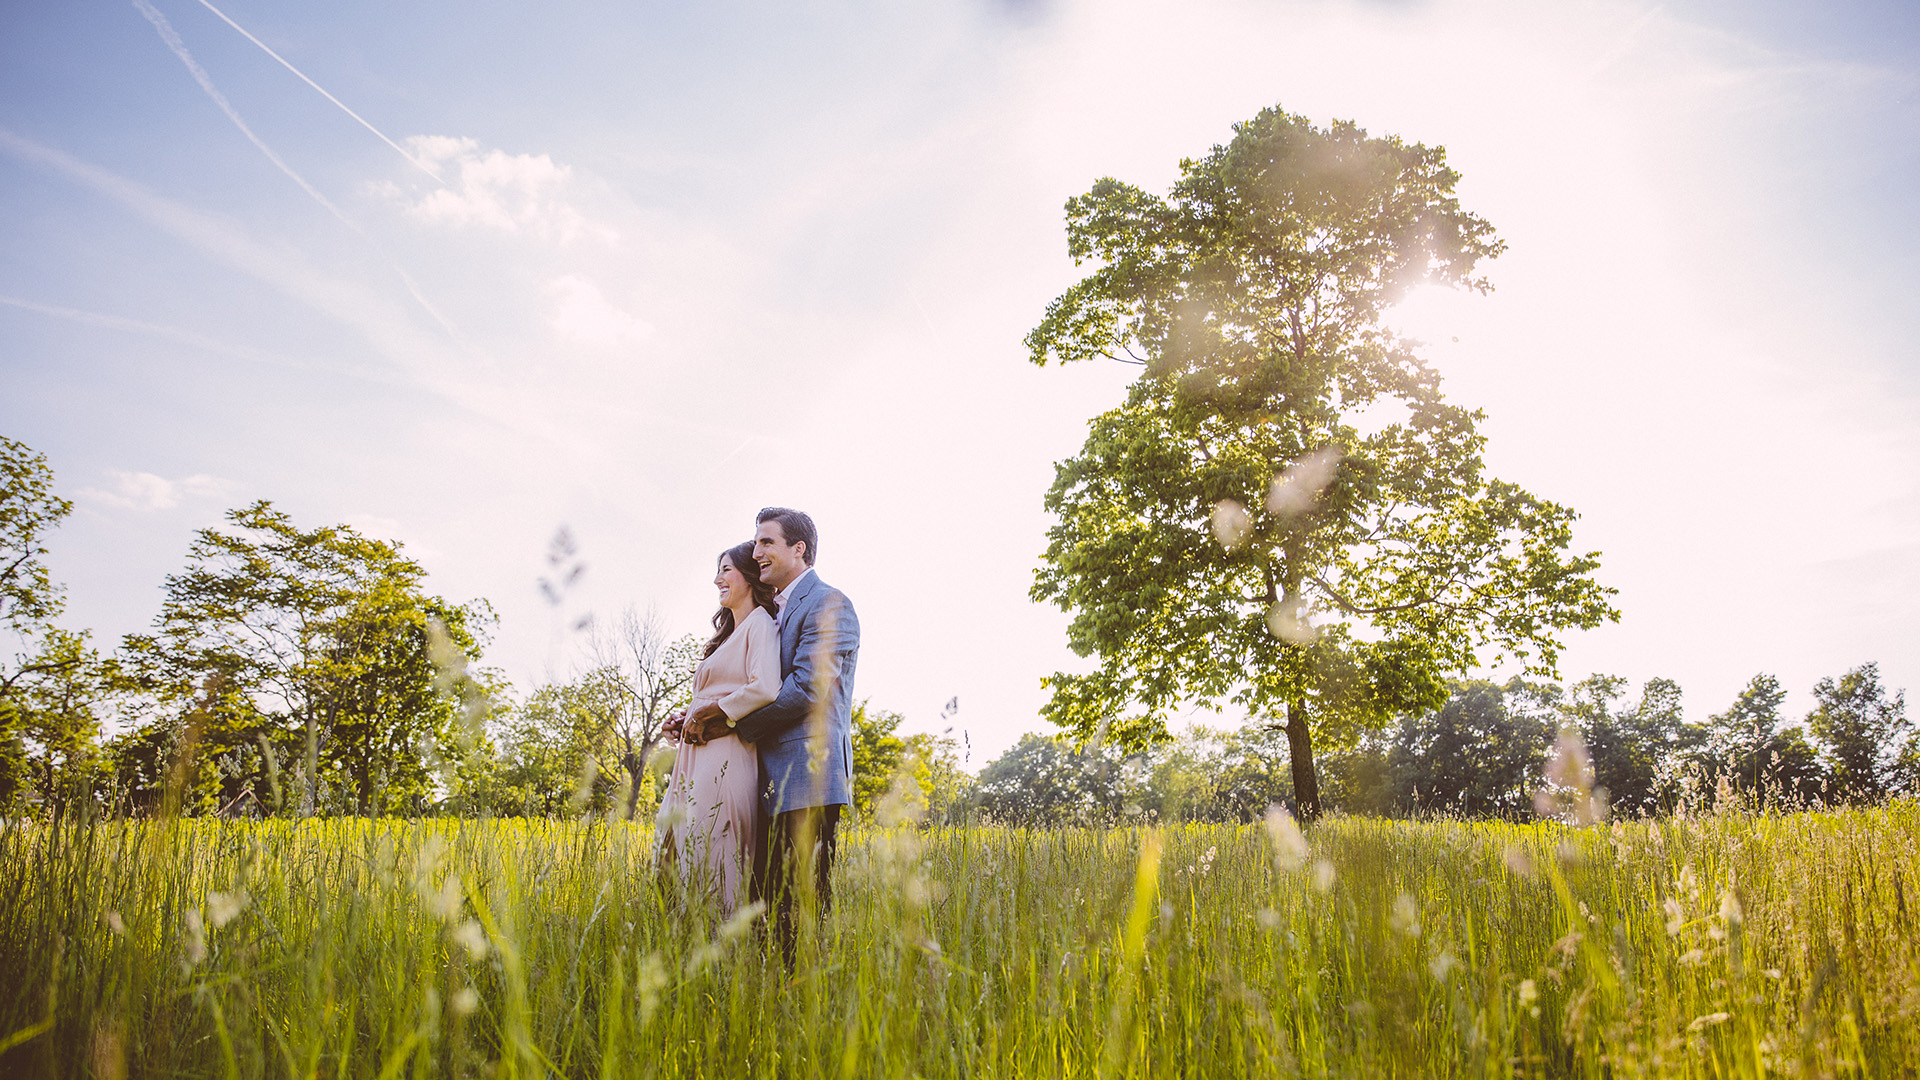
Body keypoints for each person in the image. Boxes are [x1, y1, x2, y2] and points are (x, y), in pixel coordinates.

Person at [679, 507, 859, 959]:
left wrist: (728, 724)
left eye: (766, 542)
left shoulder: (828, 603)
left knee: (801, 897)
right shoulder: (770, 612)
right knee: (763, 899)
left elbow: (806, 689)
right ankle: (768, 993)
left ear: (798, 550)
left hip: (806, 775)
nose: (756, 552)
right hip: (760, 780)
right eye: (755, 543)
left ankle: (806, 996)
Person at [657, 540, 781, 912]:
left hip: (724, 756)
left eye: (726, 570)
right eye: (717, 570)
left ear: (748, 575)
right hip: (693, 756)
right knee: (670, 845)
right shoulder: (728, 634)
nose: (717, 579)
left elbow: (764, 687)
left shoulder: (760, 624)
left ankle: (720, 946)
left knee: (710, 851)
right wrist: (685, 718)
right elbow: (719, 691)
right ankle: (678, 937)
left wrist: (713, 713)